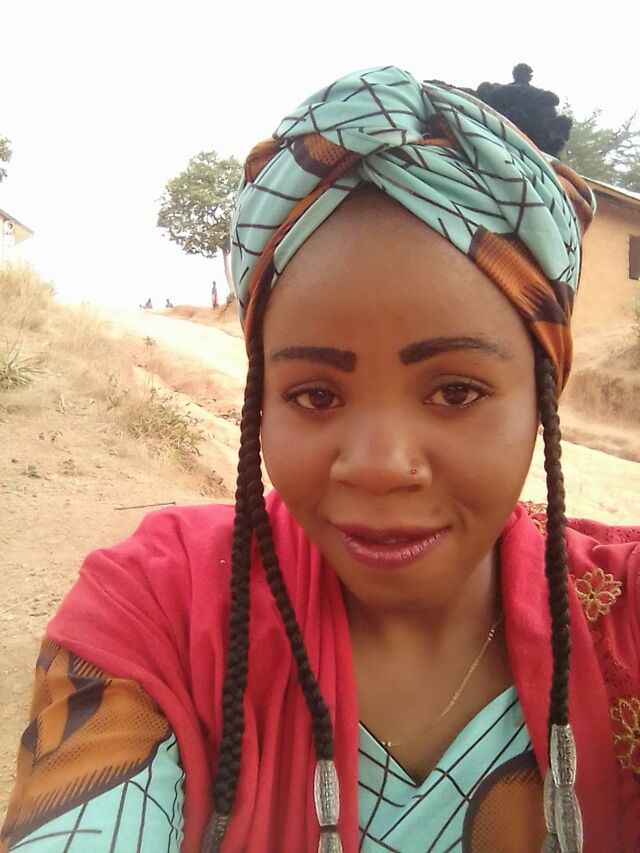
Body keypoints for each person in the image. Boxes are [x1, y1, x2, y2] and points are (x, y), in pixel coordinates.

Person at [2, 66, 639, 853]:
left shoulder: (627, 620)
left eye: (454, 391)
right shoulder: (161, 611)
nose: (378, 466)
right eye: (315, 394)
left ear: (544, 390)